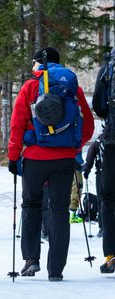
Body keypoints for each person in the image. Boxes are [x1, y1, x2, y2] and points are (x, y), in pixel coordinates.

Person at [8, 47, 94, 281]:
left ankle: (30, 260)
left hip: (35, 158)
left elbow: (17, 125)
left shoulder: (30, 86)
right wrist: (74, 146)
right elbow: (87, 127)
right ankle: (55, 270)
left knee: (31, 205)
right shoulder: (72, 87)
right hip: (64, 159)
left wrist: (14, 156)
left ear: (39, 64)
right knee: (58, 211)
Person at [92, 47, 115, 273]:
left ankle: (111, 254)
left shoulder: (106, 70)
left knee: (108, 198)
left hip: (112, 141)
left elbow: (98, 106)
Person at [83, 133, 104, 237]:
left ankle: (103, 227)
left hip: (101, 174)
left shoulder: (98, 141)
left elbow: (90, 158)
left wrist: (86, 171)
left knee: (102, 201)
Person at [69, 152, 84, 224]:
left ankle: (71, 214)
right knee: (77, 187)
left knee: (75, 188)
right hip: (75, 163)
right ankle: (72, 215)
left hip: (71, 162)